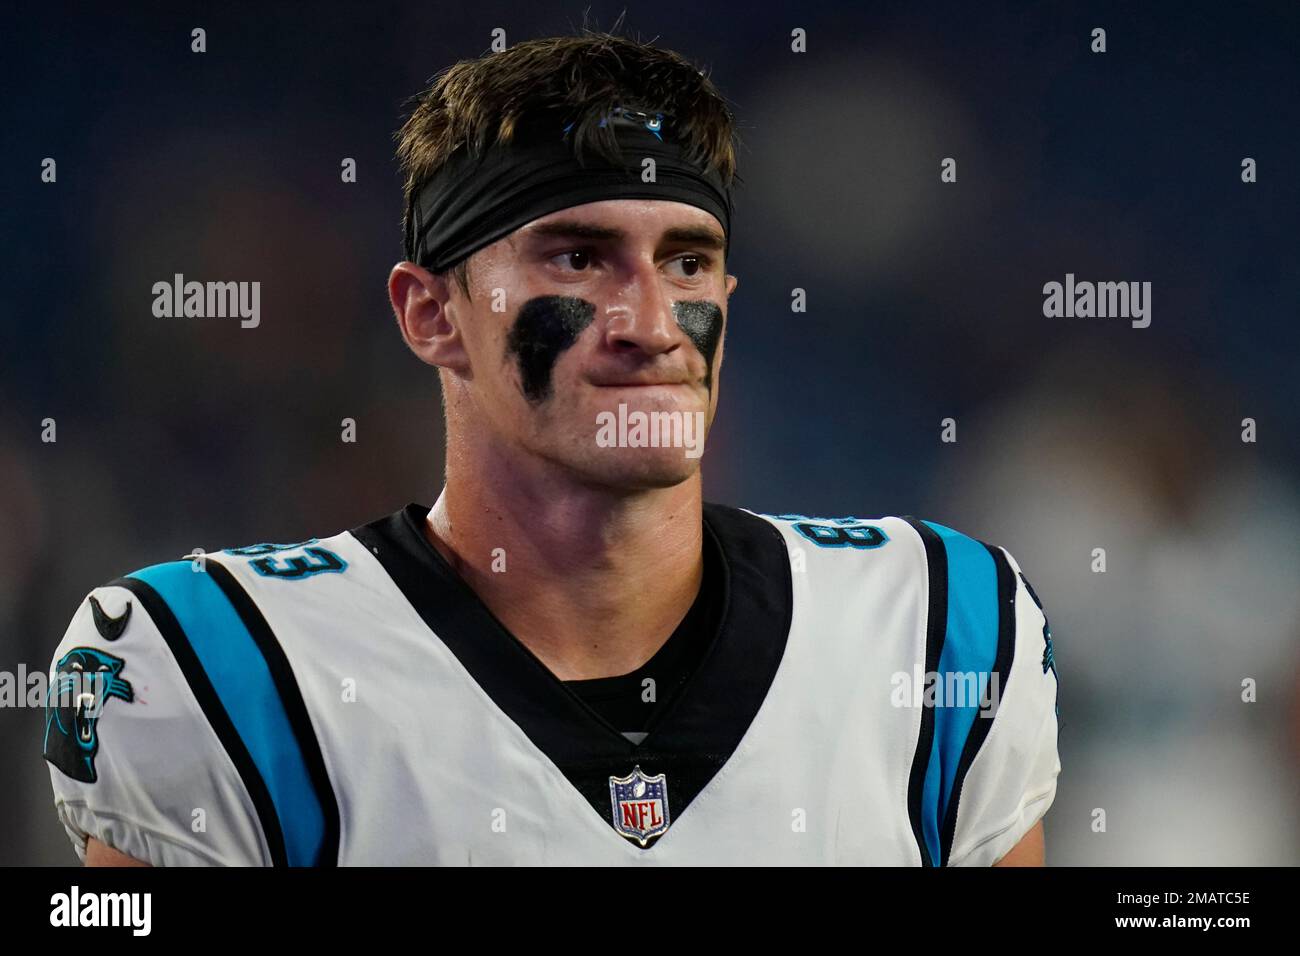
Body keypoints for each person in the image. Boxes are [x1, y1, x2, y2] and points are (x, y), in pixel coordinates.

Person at [44, 31, 1059, 866]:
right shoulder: (216, 663)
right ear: (433, 314)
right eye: (579, 256)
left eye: (687, 261)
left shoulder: (935, 625)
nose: (651, 321)